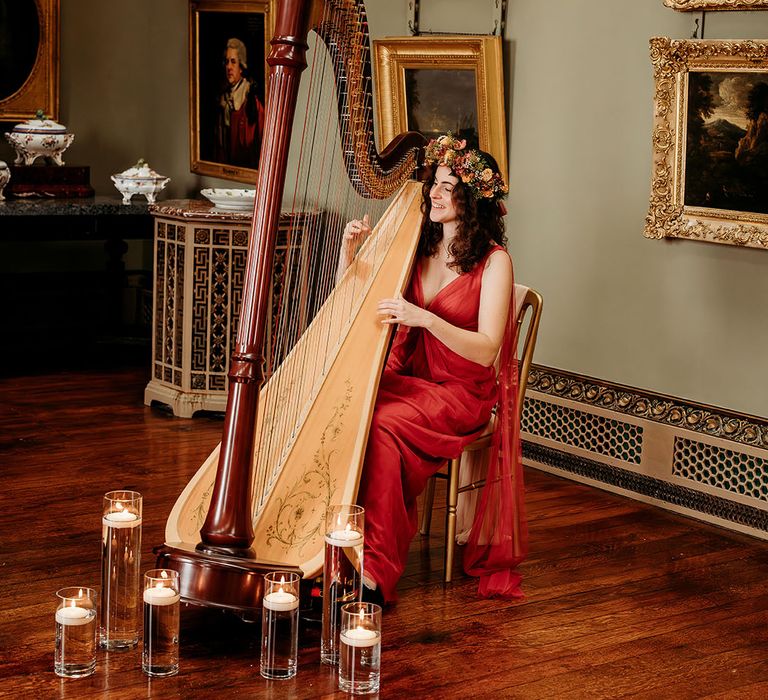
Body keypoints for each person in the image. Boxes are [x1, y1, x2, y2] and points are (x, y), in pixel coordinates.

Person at [340, 134, 528, 604]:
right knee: (352, 406)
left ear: (472, 199)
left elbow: (486, 350)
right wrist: (351, 254)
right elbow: (360, 302)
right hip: (413, 378)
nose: (434, 194)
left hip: (461, 392)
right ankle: (339, 547)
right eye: (434, 184)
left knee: (381, 426)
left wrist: (427, 318)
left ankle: (375, 572)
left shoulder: (494, 262)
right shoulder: (416, 247)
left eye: (448, 186)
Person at [214, 37, 265, 169]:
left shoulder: (250, 98)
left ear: (241, 66)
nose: (229, 67)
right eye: (226, 62)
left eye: (233, 62)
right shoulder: (223, 98)